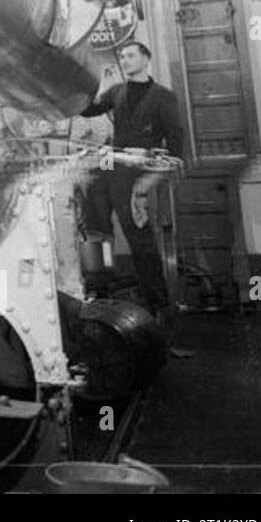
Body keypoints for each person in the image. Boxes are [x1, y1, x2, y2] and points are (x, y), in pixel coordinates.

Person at [79, 40, 190, 353]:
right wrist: (79, 85)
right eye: (123, 56)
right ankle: (98, 297)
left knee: (141, 244)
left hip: (134, 177)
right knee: (97, 235)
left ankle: (161, 312)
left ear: (146, 58)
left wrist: (151, 177)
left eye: (130, 56)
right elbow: (89, 109)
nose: (125, 61)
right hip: (108, 171)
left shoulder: (163, 97)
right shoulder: (116, 93)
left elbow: (177, 143)